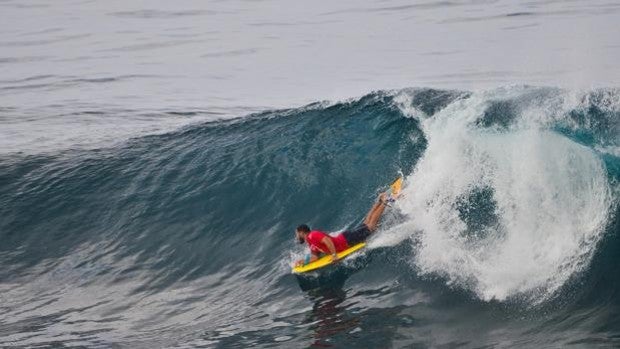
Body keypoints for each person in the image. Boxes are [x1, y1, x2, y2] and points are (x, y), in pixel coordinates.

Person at [294, 192, 392, 267]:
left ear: (302, 232)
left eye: (297, 234)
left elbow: (327, 240)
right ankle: (379, 200)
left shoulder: (313, 235)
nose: (297, 236)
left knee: (370, 226)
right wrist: (303, 262)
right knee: (366, 223)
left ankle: (384, 202)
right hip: (346, 238)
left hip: (346, 240)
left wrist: (334, 255)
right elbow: (315, 257)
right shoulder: (311, 242)